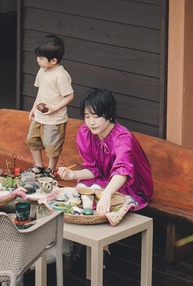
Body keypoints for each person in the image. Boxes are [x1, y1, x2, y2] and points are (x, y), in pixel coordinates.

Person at [57, 88, 153, 223]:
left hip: (131, 185)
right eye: (87, 116)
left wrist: (107, 193)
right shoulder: (86, 132)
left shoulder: (122, 138)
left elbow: (123, 170)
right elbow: (94, 169)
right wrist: (73, 175)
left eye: (96, 116)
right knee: (85, 191)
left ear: (109, 114)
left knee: (91, 195)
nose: (91, 122)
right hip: (106, 179)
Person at [26, 34, 75, 176]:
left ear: (53, 60)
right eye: (38, 57)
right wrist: (33, 108)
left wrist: (55, 108)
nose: (37, 61)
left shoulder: (60, 75)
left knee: (52, 146)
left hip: (55, 119)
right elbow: (41, 92)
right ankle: (39, 165)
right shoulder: (42, 71)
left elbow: (70, 95)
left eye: (41, 58)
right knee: (32, 141)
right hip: (40, 117)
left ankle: (50, 169)